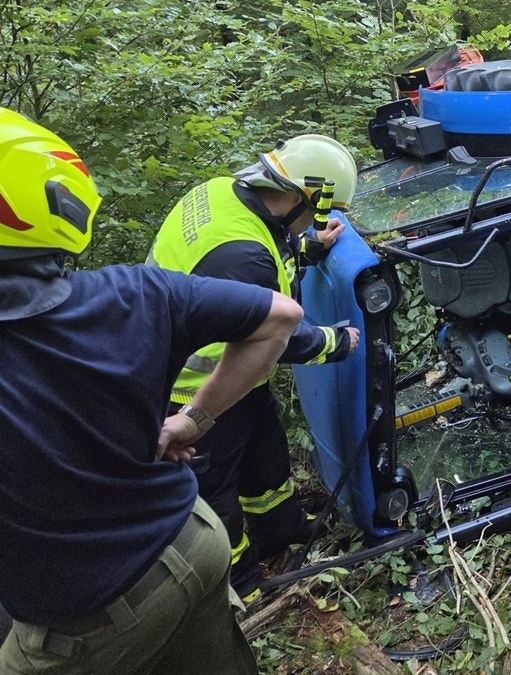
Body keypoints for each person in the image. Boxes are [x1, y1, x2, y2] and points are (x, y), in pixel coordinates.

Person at [0, 108, 304, 673]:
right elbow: (282, 317)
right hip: (188, 539)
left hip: (87, 618)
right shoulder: (137, 293)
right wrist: (194, 420)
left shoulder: (219, 199)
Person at [147, 133, 362, 603]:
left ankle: (281, 529)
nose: (317, 220)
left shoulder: (226, 195)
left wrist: (310, 249)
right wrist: (335, 341)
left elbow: (266, 256)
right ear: (305, 195)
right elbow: (272, 335)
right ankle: (241, 580)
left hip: (235, 380)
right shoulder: (240, 256)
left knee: (265, 448)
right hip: (197, 389)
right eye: (319, 210)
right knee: (214, 490)